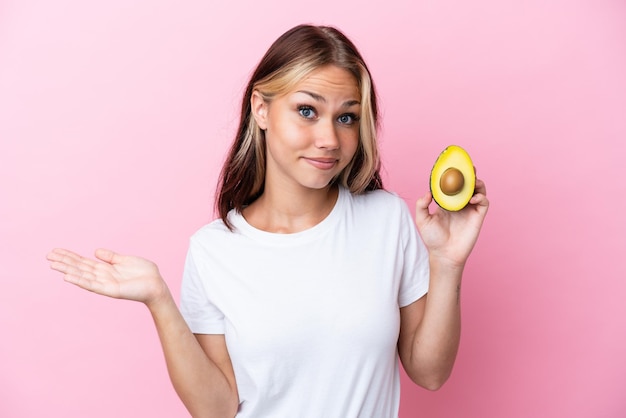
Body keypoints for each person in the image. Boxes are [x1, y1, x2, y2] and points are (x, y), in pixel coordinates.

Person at [47, 24, 489, 418]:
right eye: (307, 110)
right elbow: (216, 409)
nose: (329, 139)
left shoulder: (386, 220)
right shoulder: (213, 249)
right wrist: (159, 300)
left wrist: (447, 263)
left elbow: (430, 373)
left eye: (347, 117)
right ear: (261, 109)